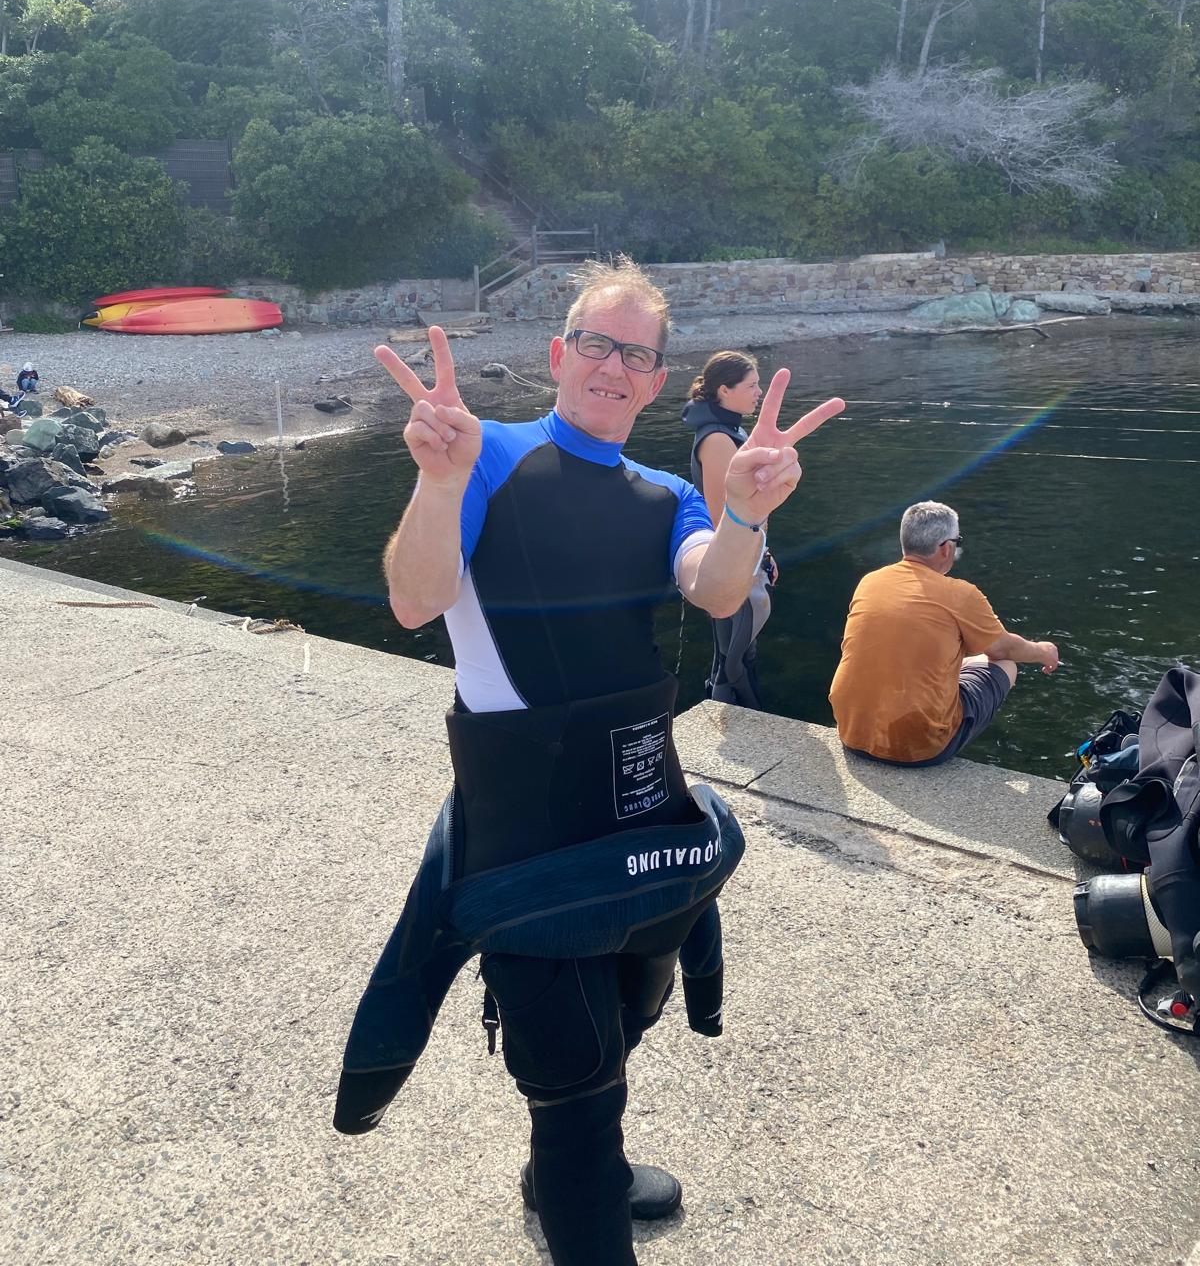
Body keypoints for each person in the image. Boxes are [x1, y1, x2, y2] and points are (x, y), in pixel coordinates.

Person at [334, 258, 845, 1266]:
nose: (615, 366)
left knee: (633, 1008)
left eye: (637, 354)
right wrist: (437, 479)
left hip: (645, 810)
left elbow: (714, 589)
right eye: (597, 344)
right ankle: (575, 1171)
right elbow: (414, 598)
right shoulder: (485, 455)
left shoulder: (666, 495)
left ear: (656, 381)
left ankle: (570, 1159)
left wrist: (747, 513)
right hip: (525, 828)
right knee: (573, 1081)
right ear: (560, 354)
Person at [830, 499, 1059, 767]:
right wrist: (1043, 651)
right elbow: (1004, 649)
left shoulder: (871, 581)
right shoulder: (959, 594)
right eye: (957, 542)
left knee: (961, 659)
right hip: (919, 746)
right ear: (946, 548)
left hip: (852, 731)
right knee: (1006, 664)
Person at [681, 350, 778, 708]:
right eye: (751, 386)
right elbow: (721, 514)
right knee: (733, 657)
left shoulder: (731, 432)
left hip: (746, 557)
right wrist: (753, 559)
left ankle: (737, 718)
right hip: (733, 564)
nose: (759, 392)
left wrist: (764, 553)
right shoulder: (717, 440)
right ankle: (746, 717)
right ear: (724, 390)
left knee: (737, 651)